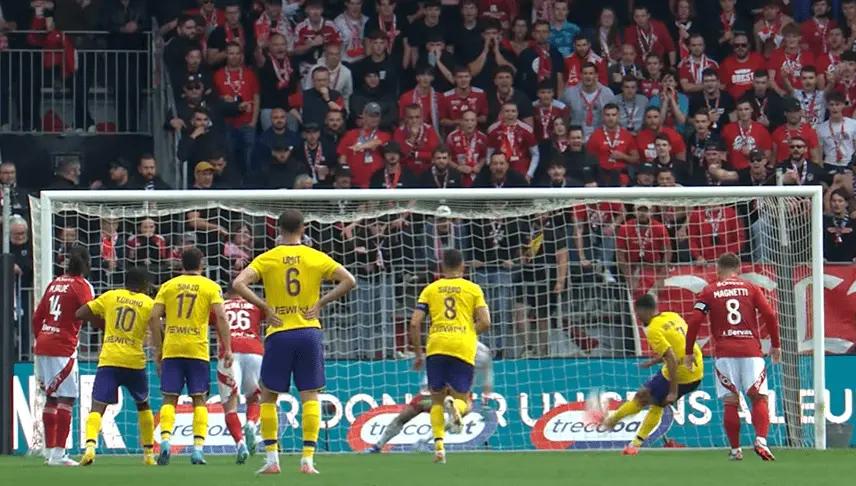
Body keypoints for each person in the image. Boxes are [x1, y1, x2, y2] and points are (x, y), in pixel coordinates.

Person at [232, 209, 356, 475]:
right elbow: (349, 280)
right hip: (309, 331)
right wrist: (321, 302)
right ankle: (308, 461)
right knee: (310, 395)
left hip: (279, 332)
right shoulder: (315, 257)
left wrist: (265, 306)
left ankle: (272, 460)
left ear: (278, 229)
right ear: (303, 228)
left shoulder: (268, 258)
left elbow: (238, 282)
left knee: (268, 396)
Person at [685, 252, 781, 461]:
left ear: (718, 270)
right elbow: (771, 315)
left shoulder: (709, 291)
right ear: (739, 269)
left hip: (725, 353)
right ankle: (761, 441)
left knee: (730, 401)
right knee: (759, 397)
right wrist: (775, 345)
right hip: (751, 352)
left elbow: (693, 321)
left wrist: (688, 351)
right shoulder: (751, 288)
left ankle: (736, 450)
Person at [148, 248, 232, 466]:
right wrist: (228, 347)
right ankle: (197, 450)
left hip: (173, 349)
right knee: (199, 399)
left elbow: (153, 317)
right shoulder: (210, 286)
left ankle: (165, 441)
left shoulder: (168, 286)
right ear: (201, 264)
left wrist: (159, 347)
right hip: (197, 350)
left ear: (180, 264)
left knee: (169, 398)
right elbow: (221, 317)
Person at [409, 248, 491, 464]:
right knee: (464, 401)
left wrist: (418, 354)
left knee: (435, 399)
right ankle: (455, 407)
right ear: (463, 265)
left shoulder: (430, 289)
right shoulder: (473, 289)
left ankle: (438, 447)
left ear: (443, 267)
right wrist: (467, 331)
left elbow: (415, 322)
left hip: (436, 345)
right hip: (462, 347)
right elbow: (486, 321)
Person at [594, 294, 703, 456]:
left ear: (645, 311)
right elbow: (678, 346)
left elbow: (672, 359)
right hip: (696, 367)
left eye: (637, 312)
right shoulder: (672, 316)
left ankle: (617, 428)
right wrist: (653, 362)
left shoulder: (653, 329)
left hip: (681, 374)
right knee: (653, 400)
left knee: (645, 398)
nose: (637, 316)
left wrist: (673, 391)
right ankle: (630, 439)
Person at [76, 267, 155, 466]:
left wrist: (102, 324)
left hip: (109, 360)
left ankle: (91, 447)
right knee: (143, 405)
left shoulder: (111, 296)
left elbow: (80, 312)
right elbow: (158, 326)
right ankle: (148, 454)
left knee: (97, 407)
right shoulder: (148, 303)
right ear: (145, 286)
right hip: (134, 361)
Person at [369, 341, 493, 453]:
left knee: (403, 417)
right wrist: (485, 397)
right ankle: (426, 439)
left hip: (433, 391)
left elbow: (428, 357)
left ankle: (378, 445)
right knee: (464, 408)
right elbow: (487, 378)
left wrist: (413, 356)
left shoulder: (445, 339)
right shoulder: (483, 352)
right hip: (458, 393)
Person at [31, 247, 93, 466]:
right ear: (87, 264)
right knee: (67, 398)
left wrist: (41, 337)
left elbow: (38, 315)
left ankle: (49, 451)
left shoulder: (54, 282)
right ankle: (58, 455)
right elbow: (88, 311)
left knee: (52, 396)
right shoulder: (81, 285)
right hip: (62, 348)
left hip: (43, 343)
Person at [214, 287, 264, 464]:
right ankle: (251, 423)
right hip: (255, 352)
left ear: (226, 293)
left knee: (230, 406)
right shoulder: (254, 306)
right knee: (254, 398)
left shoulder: (220, 306)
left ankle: (240, 443)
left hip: (230, 352)